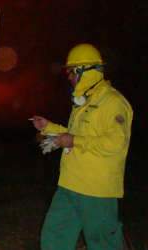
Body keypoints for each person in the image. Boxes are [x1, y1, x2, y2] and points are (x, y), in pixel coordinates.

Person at [32, 43, 132, 250]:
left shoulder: (113, 102)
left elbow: (115, 143)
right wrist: (49, 127)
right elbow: (75, 134)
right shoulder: (82, 103)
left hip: (97, 190)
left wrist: (74, 141)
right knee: (53, 238)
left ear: (84, 71)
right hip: (70, 185)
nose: (68, 77)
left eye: (71, 72)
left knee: (103, 244)